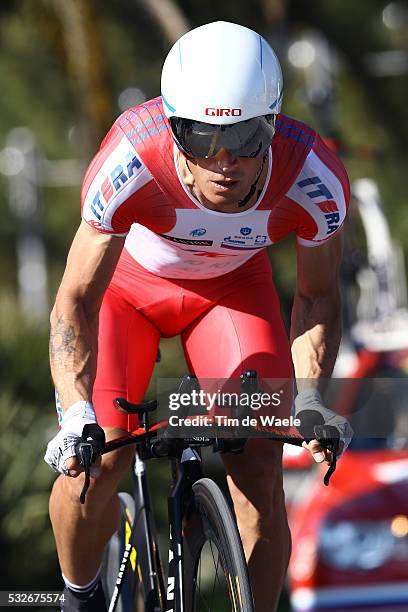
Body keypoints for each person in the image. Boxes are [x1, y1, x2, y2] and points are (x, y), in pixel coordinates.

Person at [44, 21, 353, 612]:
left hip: (230, 295)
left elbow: (317, 297)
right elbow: (77, 300)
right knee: (99, 462)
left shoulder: (313, 175)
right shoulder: (132, 157)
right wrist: (75, 407)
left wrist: (311, 400)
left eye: (244, 137)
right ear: (170, 125)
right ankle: (79, 596)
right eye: (198, 136)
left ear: (273, 124)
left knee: (260, 465)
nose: (223, 160)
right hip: (125, 296)